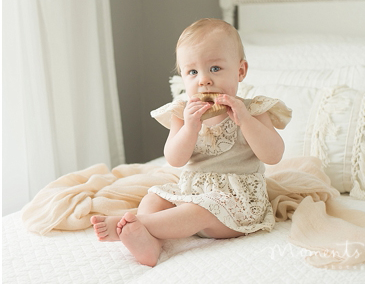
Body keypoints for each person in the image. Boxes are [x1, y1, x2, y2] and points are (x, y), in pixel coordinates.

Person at [90, 18, 292, 267]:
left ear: (240, 71)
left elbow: (274, 155)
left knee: (200, 209)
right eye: (193, 72)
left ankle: (131, 224)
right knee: (153, 198)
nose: (204, 80)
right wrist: (190, 128)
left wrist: (246, 121)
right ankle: (148, 243)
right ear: (183, 77)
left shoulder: (254, 110)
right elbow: (175, 159)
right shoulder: (182, 113)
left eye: (215, 68)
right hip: (192, 192)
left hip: (235, 205)